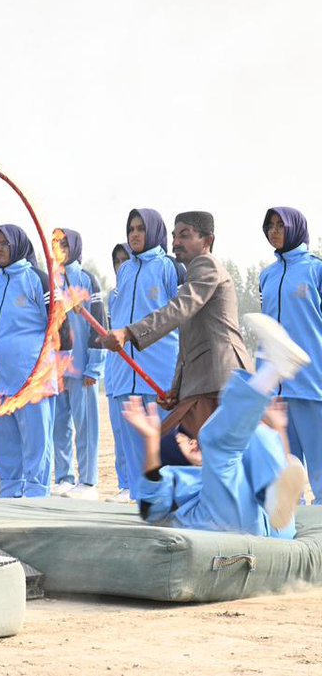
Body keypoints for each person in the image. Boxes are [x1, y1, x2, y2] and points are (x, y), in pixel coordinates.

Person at [124, 313, 309, 538]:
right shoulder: (178, 478)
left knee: (253, 433)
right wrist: (152, 441)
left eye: (190, 439)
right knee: (215, 440)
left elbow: (284, 487)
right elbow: (151, 509)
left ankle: (273, 368)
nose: (193, 443)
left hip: (269, 524)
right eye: (185, 441)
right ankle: (272, 369)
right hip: (216, 523)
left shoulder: (228, 471)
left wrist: (278, 429)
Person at [104, 210, 253, 451]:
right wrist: (176, 388)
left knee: (174, 453)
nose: (176, 242)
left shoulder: (206, 265)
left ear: (207, 241)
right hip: (201, 385)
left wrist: (129, 333)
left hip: (219, 380)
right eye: (174, 236)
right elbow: (185, 341)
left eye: (185, 235)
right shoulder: (189, 276)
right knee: (181, 457)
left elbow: (177, 310)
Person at [100, 209, 182, 502]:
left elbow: (182, 318)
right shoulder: (125, 271)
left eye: (140, 229)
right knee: (132, 453)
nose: (134, 234)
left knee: (164, 450)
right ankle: (140, 505)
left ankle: (169, 509)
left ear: (154, 232)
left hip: (160, 376)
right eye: (131, 228)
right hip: (125, 376)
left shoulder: (171, 268)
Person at [0, 225, 60, 498]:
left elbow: (58, 325)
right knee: (3, 447)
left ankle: (37, 496)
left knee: (36, 445)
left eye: (4, 243)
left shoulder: (39, 279)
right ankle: (10, 492)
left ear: (18, 244)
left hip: (31, 379)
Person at [259, 207, 322, 503]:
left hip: (313, 384)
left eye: (280, 225)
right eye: (269, 226)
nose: (274, 231)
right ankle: (292, 527)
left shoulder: (316, 270)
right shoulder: (266, 276)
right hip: (277, 387)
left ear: (295, 228)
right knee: (285, 465)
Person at [51, 229, 106, 500]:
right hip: (56, 369)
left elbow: (99, 324)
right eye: (54, 244)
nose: (58, 248)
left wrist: (94, 366)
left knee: (85, 425)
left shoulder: (87, 281)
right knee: (59, 425)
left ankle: (88, 481)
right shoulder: (50, 281)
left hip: (82, 366)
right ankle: (63, 477)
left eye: (63, 243)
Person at [104, 241, 133, 501]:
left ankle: (140, 485)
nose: (120, 266)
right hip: (116, 373)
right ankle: (125, 483)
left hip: (142, 373)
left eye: (125, 259)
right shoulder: (112, 297)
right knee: (120, 432)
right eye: (117, 261)